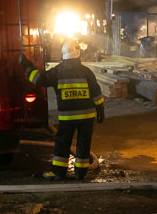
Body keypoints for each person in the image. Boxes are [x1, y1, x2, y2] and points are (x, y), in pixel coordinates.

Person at [19, 40, 105, 180]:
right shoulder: (87, 72)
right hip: (87, 117)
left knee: (63, 143)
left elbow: (39, 79)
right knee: (84, 144)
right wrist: (100, 109)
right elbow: (96, 92)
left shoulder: (57, 71)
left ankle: (59, 172)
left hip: (68, 117)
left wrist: (27, 66)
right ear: (78, 54)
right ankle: (80, 174)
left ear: (63, 54)